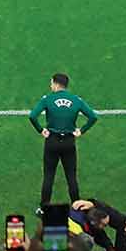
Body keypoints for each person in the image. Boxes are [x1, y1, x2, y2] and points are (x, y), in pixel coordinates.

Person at [29, 72, 98, 205]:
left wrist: (41, 130)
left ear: (56, 84)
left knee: (49, 176)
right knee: (71, 177)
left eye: (51, 83)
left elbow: (32, 116)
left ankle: (44, 207)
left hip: (52, 141)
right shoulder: (76, 100)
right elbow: (93, 117)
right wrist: (81, 130)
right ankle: (77, 207)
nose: (50, 86)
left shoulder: (48, 99)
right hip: (68, 141)